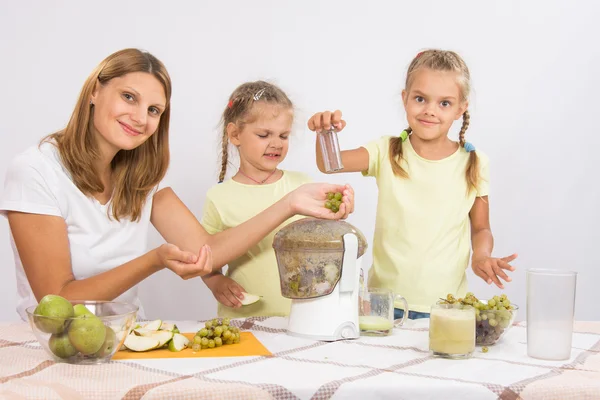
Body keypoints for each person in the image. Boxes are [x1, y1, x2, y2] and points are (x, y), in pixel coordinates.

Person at [0, 49, 354, 321]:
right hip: (51, 347)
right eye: (129, 97)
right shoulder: (36, 171)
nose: (140, 118)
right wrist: (154, 260)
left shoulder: (142, 178)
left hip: (122, 338)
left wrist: (292, 202)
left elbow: (207, 253)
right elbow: (58, 301)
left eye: (154, 110)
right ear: (95, 90)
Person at [307, 49, 517, 319]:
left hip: (448, 307)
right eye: (420, 99)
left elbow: (481, 227)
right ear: (405, 98)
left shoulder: (474, 162)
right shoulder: (386, 151)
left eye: (444, 103)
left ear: (461, 108)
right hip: (384, 305)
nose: (430, 110)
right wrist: (326, 132)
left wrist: (482, 256)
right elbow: (330, 163)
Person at [200, 81, 354, 318]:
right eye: (263, 135)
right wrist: (215, 282)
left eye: (284, 135)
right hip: (242, 319)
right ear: (234, 134)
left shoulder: (302, 186)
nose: (276, 144)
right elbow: (206, 258)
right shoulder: (219, 197)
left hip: (300, 317)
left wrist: (341, 209)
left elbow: (324, 241)